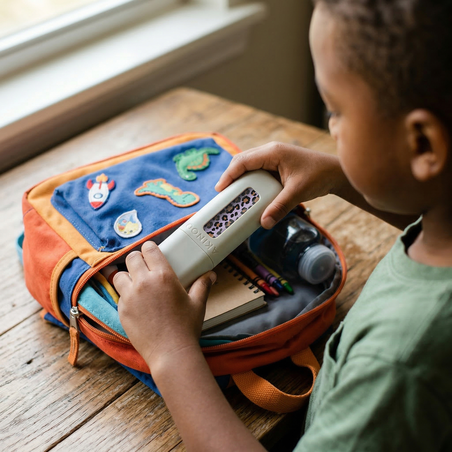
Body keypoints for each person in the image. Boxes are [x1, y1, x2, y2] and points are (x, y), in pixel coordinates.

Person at [114, 0, 452, 450]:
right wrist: (339, 175)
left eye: (336, 110)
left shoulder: (395, 367)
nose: (331, 127)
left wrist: (170, 353)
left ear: (423, 144)